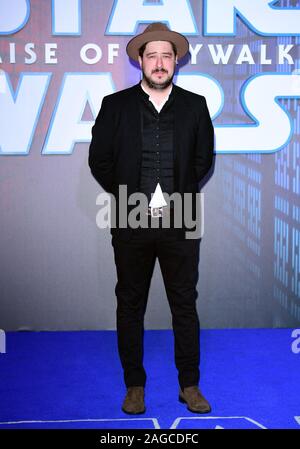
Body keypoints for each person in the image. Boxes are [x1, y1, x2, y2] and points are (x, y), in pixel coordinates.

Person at [88, 22, 214, 415]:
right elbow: (100, 161)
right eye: (152, 55)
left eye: (166, 55)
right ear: (140, 61)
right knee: (130, 304)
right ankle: (134, 386)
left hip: (182, 219)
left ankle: (188, 385)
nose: (159, 63)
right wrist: (130, 197)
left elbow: (203, 160)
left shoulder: (195, 105)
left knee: (185, 304)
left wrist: (177, 199)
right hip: (130, 217)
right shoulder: (115, 105)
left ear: (176, 61)